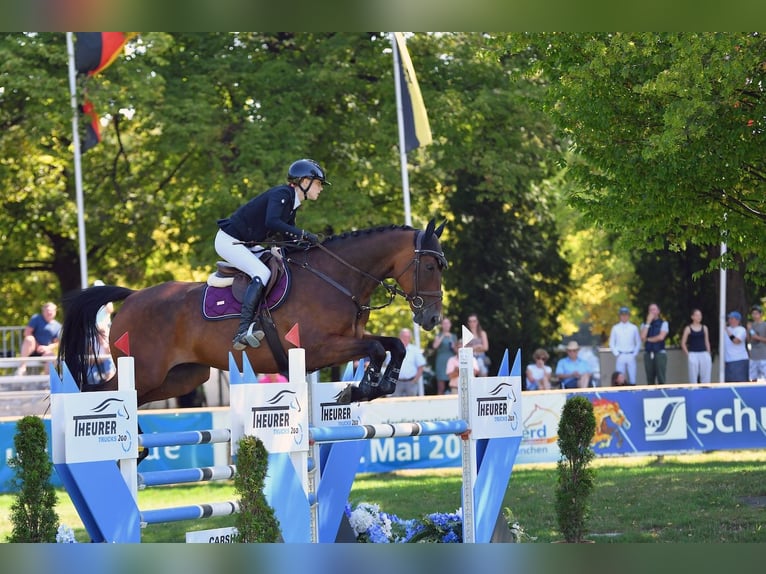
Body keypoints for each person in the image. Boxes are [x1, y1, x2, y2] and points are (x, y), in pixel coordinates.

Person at [215, 158, 329, 350]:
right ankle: (243, 330)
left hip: (246, 244)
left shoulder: (292, 204)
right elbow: (272, 222)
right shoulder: (282, 194)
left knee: (278, 265)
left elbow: (287, 237)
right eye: (318, 183)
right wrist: (303, 234)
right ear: (304, 181)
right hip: (229, 241)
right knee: (262, 273)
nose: (321, 188)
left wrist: (310, 248)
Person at [15, 302, 62, 375]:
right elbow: (26, 332)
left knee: (51, 356)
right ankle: (22, 368)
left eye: (51, 310)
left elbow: (57, 343)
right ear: (43, 311)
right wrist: (37, 346)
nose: (49, 312)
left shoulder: (57, 326)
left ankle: (46, 381)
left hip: (45, 352)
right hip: (31, 349)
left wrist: (47, 348)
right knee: (29, 339)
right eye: (47, 310)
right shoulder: (36, 318)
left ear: (55, 312)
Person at [608, 306, 641, 385]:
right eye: (622, 315)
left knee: (632, 376)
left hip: (630, 354)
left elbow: (638, 342)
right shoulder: (615, 328)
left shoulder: (634, 328)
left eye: (626, 315)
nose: (624, 317)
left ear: (629, 316)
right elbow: (611, 342)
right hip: (621, 354)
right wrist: (617, 353)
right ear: (620, 316)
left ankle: (633, 389)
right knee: (620, 376)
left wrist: (634, 353)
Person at [390, 328, 427, 397]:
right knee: (395, 404)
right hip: (396, 383)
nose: (405, 338)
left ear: (410, 338)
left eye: (408, 337)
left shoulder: (415, 350)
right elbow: (389, 366)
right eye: (403, 336)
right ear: (399, 337)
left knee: (412, 405)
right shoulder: (393, 350)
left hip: (411, 382)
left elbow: (421, 367)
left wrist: (415, 380)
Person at [680, 308, 712, 384]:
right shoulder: (688, 328)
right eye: (697, 315)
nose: (699, 317)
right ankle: (694, 389)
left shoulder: (704, 328)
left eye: (700, 315)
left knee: (706, 374)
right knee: (693, 375)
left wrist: (708, 352)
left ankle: (705, 389)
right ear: (692, 317)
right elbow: (683, 343)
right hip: (693, 353)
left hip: (704, 353)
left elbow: (706, 341)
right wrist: (688, 355)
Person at [640, 303, 669, 385]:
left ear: (658, 311)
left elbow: (661, 337)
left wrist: (648, 339)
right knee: (650, 378)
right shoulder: (644, 324)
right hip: (648, 353)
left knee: (661, 377)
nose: (652, 312)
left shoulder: (664, 323)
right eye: (650, 310)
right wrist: (648, 323)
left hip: (659, 353)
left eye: (654, 309)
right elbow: (642, 337)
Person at [431, 318, 457, 395]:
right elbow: (435, 346)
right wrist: (443, 336)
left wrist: (452, 342)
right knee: (440, 387)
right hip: (441, 362)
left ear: (450, 325)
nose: (446, 325)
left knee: (453, 385)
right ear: (442, 325)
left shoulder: (454, 336)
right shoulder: (438, 336)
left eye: (447, 323)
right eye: (444, 324)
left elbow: (457, 350)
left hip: (451, 362)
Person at [724, 310, 749, 382]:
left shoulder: (741, 330)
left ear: (737, 320)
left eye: (732, 319)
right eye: (729, 319)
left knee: (739, 382)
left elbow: (736, 341)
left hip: (739, 360)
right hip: (728, 361)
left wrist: (727, 330)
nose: (730, 320)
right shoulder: (726, 329)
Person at [747, 304, 766, 382]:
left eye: (756, 313)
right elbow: (749, 340)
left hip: (763, 356)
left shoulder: (764, 325)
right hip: (753, 356)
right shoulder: (752, 326)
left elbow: (755, 336)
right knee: (753, 378)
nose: (754, 315)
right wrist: (749, 330)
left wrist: (756, 337)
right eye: (753, 313)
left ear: (761, 314)